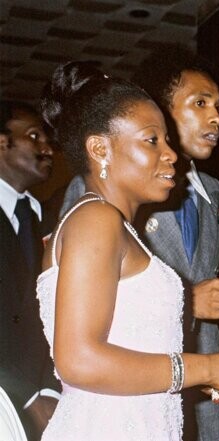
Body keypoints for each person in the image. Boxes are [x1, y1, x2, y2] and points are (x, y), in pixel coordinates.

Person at [37, 61, 219, 440]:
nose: (171, 154)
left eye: (167, 140)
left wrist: (211, 379)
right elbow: (78, 360)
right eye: (151, 140)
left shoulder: (114, 225)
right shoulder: (96, 219)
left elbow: (134, 345)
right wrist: (207, 369)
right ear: (100, 149)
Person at [0, 100, 58, 440]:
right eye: (33, 136)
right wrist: (26, 395)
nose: (47, 148)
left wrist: (50, 391)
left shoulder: (54, 221)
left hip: (56, 400)